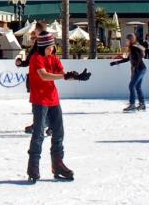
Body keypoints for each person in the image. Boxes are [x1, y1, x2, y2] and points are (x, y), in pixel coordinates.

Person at [26, 31, 91, 183]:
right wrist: (65, 76)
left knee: (59, 133)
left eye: (53, 47)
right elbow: (44, 75)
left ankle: (58, 164)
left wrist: (76, 76)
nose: (52, 50)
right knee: (38, 134)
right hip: (39, 100)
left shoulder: (53, 58)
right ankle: (33, 166)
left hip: (53, 99)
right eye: (49, 47)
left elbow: (62, 73)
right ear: (42, 47)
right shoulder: (36, 58)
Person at [111, 33, 147, 111]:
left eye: (127, 40)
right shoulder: (133, 48)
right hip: (141, 69)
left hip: (140, 69)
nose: (126, 41)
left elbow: (139, 58)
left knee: (131, 86)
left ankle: (132, 105)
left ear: (131, 40)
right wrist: (116, 62)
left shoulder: (134, 48)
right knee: (137, 87)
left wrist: (135, 70)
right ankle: (142, 105)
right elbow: (127, 59)